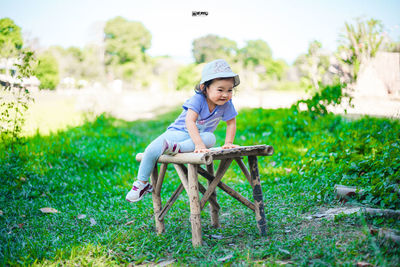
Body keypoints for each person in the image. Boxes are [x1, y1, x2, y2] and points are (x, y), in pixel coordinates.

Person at [126, 59, 240, 202]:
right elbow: (189, 121)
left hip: (197, 138)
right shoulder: (198, 99)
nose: (225, 94)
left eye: (229, 90)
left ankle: (176, 148)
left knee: (210, 138)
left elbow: (231, 123)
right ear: (205, 87)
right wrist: (198, 144)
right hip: (179, 131)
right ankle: (141, 183)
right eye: (220, 89)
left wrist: (228, 142)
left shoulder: (226, 104)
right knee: (152, 149)